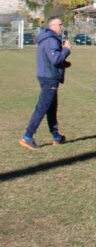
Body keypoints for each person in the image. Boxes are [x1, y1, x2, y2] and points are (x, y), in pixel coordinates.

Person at [21, 16, 72, 150]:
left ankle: (56, 137)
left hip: (46, 75)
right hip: (49, 78)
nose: (62, 27)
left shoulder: (47, 38)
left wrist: (63, 63)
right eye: (60, 24)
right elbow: (55, 59)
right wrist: (66, 49)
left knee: (51, 107)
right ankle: (27, 136)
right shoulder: (51, 39)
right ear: (53, 26)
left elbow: (50, 59)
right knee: (43, 107)